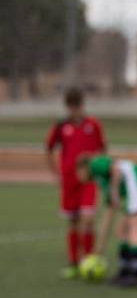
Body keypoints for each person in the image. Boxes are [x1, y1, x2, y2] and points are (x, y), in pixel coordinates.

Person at [45, 87, 107, 279]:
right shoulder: (61, 126)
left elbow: (102, 149)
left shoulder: (93, 124)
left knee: (88, 219)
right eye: (72, 107)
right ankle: (73, 262)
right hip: (69, 180)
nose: (75, 110)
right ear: (67, 107)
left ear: (82, 105)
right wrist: (56, 173)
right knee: (73, 221)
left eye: (78, 106)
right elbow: (49, 148)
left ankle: (88, 260)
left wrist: (99, 171)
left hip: (89, 180)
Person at [76, 153, 137, 288]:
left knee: (134, 230)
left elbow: (116, 169)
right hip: (134, 189)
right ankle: (125, 271)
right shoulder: (102, 181)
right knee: (121, 230)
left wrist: (114, 191)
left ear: (83, 168)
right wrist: (98, 251)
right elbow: (108, 216)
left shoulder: (95, 165)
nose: (78, 176)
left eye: (77, 172)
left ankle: (136, 275)